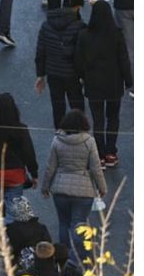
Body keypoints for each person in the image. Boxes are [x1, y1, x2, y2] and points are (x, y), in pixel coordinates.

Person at [39, 109, 107, 257]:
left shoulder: (57, 141)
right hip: (84, 191)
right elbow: (96, 168)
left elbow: (50, 167)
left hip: (60, 189)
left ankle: (64, 253)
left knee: (63, 223)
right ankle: (78, 256)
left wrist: (45, 187)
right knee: (79, 223)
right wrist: (102, 188)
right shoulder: (89, 142)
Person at [75, 0, 132, 167]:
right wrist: (128, 81)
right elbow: (123, 59)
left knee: (97, 119)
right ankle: (111, 152)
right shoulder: (117, 34)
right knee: (113, 117)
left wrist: (82, 76)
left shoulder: (84, 35)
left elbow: (79, 60)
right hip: (114, 84)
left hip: (93, 84)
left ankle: (99, 153)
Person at [0, 93, 39, 218]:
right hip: (14, 174)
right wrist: (34, 174)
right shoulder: (21, 129)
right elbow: (28, 152)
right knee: (13, 209)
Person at [35, 0, 85, 128]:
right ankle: (79, 134)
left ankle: (59, 134)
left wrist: (40, 75)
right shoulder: (79, 26)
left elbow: (41, 52)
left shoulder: (46, 25)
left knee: (58, 108)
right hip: (73, 74)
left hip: (53, 74)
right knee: (77, 107)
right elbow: (83, 53)